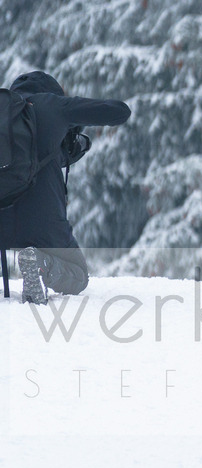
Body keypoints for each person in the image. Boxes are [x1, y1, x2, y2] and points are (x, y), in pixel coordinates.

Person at [0, 71, 131, 304]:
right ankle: (41, 264)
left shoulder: (7, 119)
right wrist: (72, 117)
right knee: (78, 274)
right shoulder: (52, 106)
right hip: (43, 221)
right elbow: (120, 111)